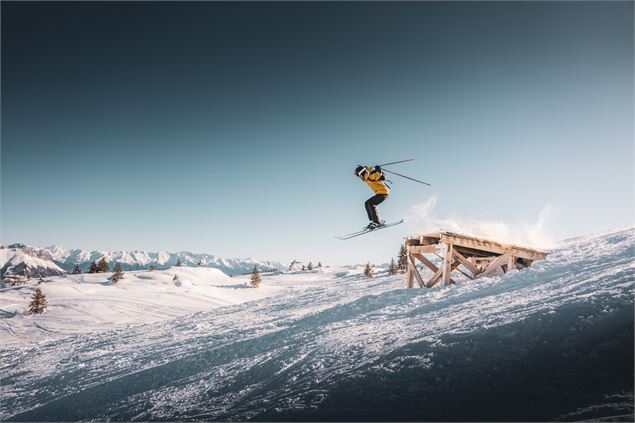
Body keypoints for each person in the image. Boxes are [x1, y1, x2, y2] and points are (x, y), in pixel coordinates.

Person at [354, 165, 390, 229]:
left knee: (371, 203)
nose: (360, 177)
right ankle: (372, 221)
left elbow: (377, 175)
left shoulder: (369, 175)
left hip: (384, 193)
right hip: (379, 193)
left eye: (359, 175)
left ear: (361, 173)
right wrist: (376, 170)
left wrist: (378, 170)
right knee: (367, 203)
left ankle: (377, 222)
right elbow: (378, 176)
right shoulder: (366, 177)